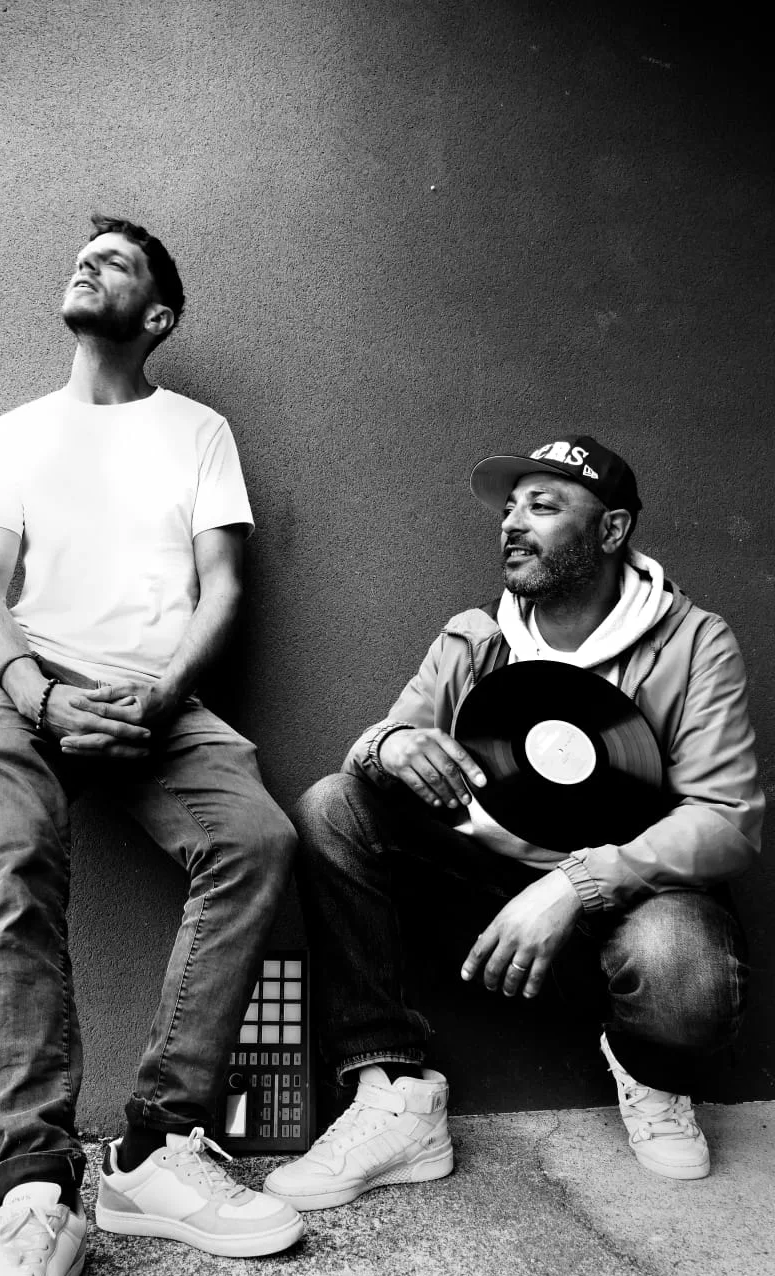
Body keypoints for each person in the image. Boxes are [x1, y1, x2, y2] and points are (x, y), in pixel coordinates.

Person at [0, 216, 302, 1276]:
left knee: (257, 839)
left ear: (158, 315)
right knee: (15, 884)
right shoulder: (15, 434)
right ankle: (34, 1197)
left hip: (159, 699)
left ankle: (153, 1150)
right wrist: (39, 695)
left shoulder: (199, 432)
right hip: (30, 693)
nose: (88, 261)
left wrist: (162, 695)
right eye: (84, 252)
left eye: (120, 260)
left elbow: (224, 585)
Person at [264, 435, 762, 1213]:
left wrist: (574, 884)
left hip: (633, 897)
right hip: (483, 891)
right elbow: (376, 756)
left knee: (684, 972)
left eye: (543, 506)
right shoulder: (475, 637)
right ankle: (393, 1098)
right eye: (509, 508)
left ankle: (651, 1074)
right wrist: (390, 745)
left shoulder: (695, 642)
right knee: (332, 805)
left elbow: (726, 819)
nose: (511, 524)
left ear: (611, 529)